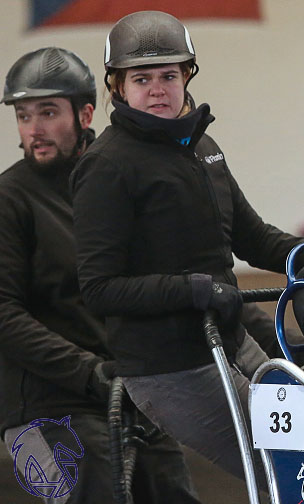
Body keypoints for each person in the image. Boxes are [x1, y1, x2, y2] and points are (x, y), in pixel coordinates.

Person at [71, 11, 301, 483]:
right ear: (117, 86)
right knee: (285, 472)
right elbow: (99, 288)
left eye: (169, 75)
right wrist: (191, 290)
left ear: (186, 77)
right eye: (142, 78)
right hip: (168, 369)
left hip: (233, 341)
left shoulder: (204, 147)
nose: (158, 88)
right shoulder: (106, 166)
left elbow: (253, 237)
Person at [0, 47, 201, 503]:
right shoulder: (9, 200)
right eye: (23, 115)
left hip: (127, 392)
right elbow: (3, 315)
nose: (34, 129)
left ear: (86, 112)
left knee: (175, 493)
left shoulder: (109, 181)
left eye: (48, 112)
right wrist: (90, 372)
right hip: (40, 410)